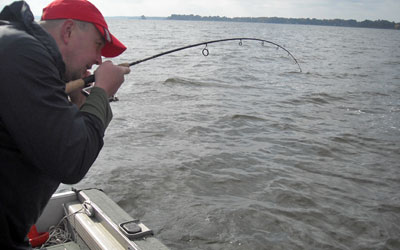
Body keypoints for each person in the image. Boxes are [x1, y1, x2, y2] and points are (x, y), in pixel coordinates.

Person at [0, 0, 131, 248]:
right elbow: (71, 158)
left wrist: (79, 99)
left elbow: (55, 135)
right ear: (68, 31)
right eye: (97, 45)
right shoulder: (23, 52)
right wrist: (102, 91)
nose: (97, 59)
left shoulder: (16, 47)